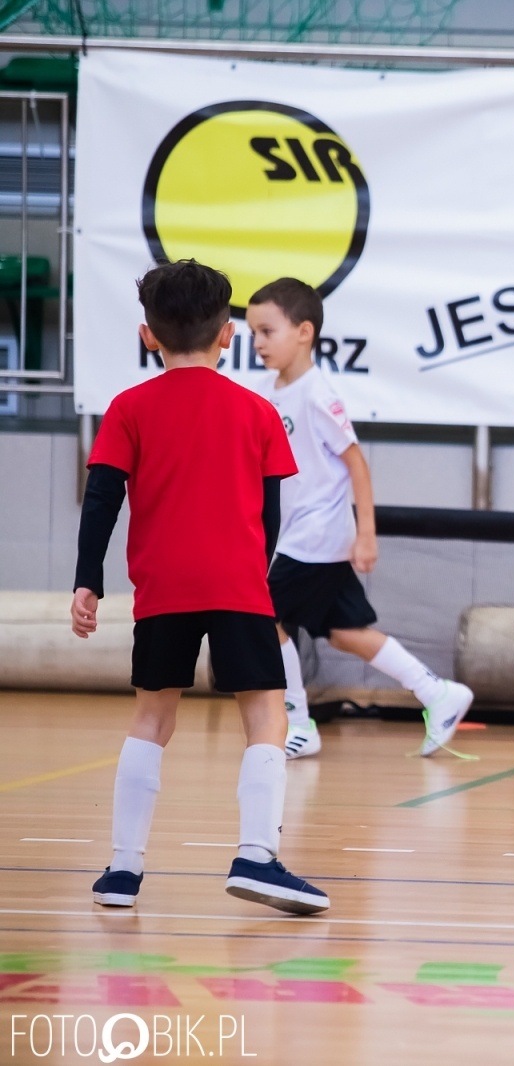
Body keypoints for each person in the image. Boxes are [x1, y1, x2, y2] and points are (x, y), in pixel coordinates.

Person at [71, 260, 328, 914]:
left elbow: (100, 499)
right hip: (239, 584)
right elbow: (270, 515)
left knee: (152, 717)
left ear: (147, 335)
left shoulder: (128, 408)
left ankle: (123, 872)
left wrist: (87, 581)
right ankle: (256, 857)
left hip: (163, 586)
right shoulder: (258, 412)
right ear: (229, 335)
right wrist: (253, 569)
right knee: (266, 715)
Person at [247, 278, 473, 760]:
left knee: (263, 617)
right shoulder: (266, 392)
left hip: (316, 535)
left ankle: (298, 724)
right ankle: (437, 693)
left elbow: (356, 463)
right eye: (253, 333)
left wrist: (365, 533)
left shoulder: (317, 394)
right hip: (294, 534)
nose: (259, 343)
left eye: (268, 331)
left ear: (304, 331)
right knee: (345, 632)